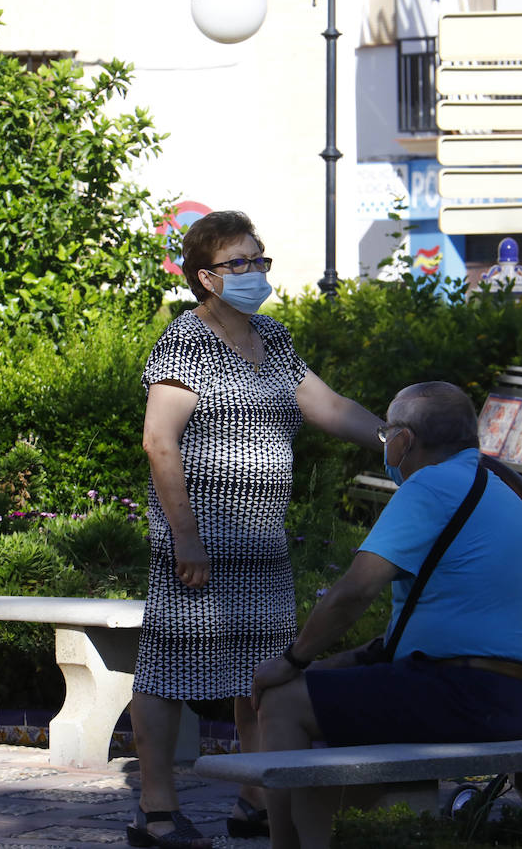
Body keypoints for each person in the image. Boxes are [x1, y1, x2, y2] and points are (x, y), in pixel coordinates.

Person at [128, 210, 383, 849]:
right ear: (205, 277)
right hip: (200, 549)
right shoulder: (185, 342)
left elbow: (328, 407)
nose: (252, 273)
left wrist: (397, 437)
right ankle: (157, 811)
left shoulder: (273, 338)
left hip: (263, 545)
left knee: (263, 675)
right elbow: (160, 442)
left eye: (257, 260)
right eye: (236, 263)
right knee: (168, 673)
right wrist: (185, 537)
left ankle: (256, 796)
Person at [250, 381, 522, 849]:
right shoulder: (495, 483)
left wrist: (290, 660)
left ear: (403, 441)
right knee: (311, 687)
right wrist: (319, 667)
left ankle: (285, 845)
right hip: (521, 695)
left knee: (282, 702)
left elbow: (353, 592)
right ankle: (338, 823)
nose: (385, 446)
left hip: (472, 693)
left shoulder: (430, 486)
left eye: (385, 434)